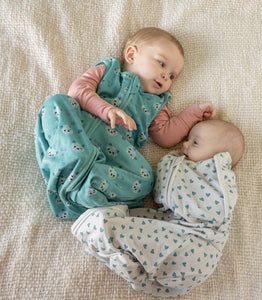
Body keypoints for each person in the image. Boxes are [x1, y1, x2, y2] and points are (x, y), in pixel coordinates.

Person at [35, 27, 215, 219]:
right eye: (161, 63)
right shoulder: (109, 70)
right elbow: (78, 91)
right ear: (131, 54)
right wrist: (106, 109)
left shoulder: (157, 103)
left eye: (172, 76)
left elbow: (165, 136)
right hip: (74, 137)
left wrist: (193, 114)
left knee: (147, 180)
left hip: (111, 154)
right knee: (57, 102)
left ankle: (88, 189)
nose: (166, 75)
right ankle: (76, 159)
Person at [71, 119, 245, 297]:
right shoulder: (193, 170)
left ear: (221, 158)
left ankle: (101, 230)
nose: (185, 144)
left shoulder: (220, 183)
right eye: (187, 139)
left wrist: (171, 165)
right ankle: (114, 247)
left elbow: (170, 193)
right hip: (185, 241)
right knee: (141, 236)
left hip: (199, 244)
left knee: (125, 231)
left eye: (195, 142)